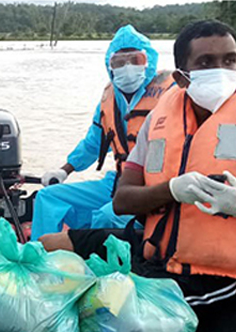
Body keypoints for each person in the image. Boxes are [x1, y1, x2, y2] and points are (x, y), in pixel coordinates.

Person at [41, 20, 236, 307]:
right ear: (182, 77)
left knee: (100, 309)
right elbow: (123, 201)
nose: (220, 70)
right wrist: (173, 189)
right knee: (49, 245)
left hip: (219, 276)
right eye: (206, 62)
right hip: (156, 252)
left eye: (229, 60)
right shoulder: (161, 116)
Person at [30, 25, 174, 240]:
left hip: (153, 188)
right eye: (119, 62)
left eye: (135, 60)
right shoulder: (110, 97)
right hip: (117, 182)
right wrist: (64, 170)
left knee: (106, 217)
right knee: (48, 198)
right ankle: (42, 258)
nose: (128, 67)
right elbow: (93, 142)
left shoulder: (171, 93)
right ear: (110, 66)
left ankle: (94, 265)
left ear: (149, 61)